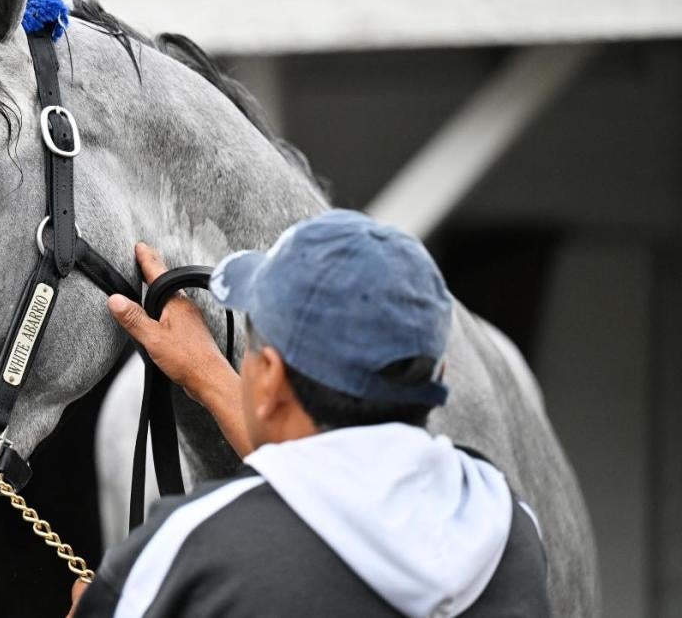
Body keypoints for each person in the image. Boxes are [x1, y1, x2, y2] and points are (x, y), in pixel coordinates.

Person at [72, 209, 550, 617]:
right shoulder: (507, 527)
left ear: (272, 376)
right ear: (439, 371)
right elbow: (336, 493)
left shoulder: (183, 557)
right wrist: (208, 375)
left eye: (254, 349)